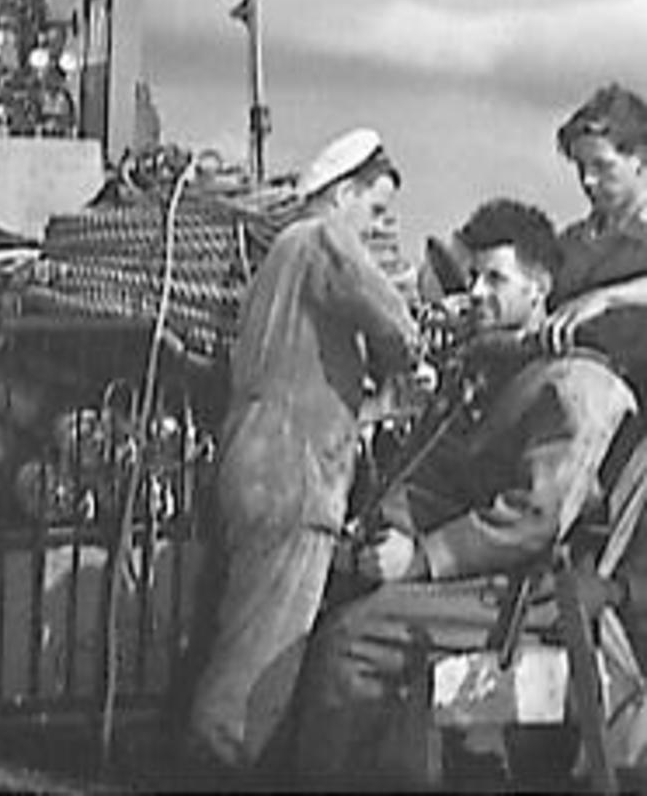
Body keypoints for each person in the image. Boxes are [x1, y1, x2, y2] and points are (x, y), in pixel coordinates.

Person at [294, 197, 637, 790]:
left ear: (539, 289)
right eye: (475, 277)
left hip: (538, 592)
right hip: (485, 580)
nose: (476, 292)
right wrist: (390, 530)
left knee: (353, 641)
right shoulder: (495, 374)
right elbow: (438, 475)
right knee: (322, 598)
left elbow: (535, 518)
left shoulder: (577, 384)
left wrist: (419, 560)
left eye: (495, 279)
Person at [187, 127, 419, 772]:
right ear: (342, 194)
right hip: (293, 477)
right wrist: (408, 357)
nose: (377, 227)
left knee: (239, 633)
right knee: (263, 664)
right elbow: (392, 318)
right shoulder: (321, 240)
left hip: (258, 463)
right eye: (374, 208)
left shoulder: (283, 254)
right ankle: (220, 771)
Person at [547, 84, 647, 402]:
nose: (588, 181)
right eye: (581, 168)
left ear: (639, 159)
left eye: (603, 166)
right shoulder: (570, 245)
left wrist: (607, 298)